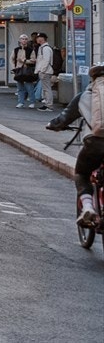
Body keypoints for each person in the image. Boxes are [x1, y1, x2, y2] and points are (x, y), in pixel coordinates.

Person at [70, 65, 104, 227]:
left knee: (81, 173)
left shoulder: (86, 94)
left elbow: (62, 119)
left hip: (96, 142)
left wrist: (54, 125)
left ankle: (88, 207)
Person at [11, 34, 39, 108]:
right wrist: (14, 68)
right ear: (20, 40)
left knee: (29, 87)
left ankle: (32, 102)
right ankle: (21, 102)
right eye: (22, 39)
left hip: (27, 70)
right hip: (18, 70)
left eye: (25, 39)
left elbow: (33, 60)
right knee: (20, 87)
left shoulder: (30, 50)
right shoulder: (16, 50)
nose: (24, 40)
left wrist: (25, 61)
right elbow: (12, 59)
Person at [34, 32, 56, 111]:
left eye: (38, 38)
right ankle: (47, 104)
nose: (37, 39)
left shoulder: (45, 48)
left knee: (46, 89)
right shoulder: (43, 48)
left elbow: (46, 60)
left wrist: (42, 70)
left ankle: (49, 105)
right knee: (45, 89)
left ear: (42, 39)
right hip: (45, 71)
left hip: (45, 71)